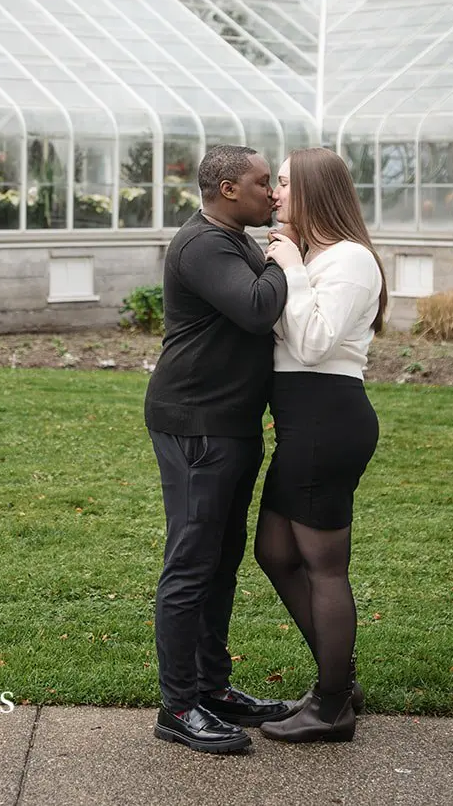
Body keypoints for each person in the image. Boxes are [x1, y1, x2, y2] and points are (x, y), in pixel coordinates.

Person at [144, 144, 295, 754]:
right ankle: (178, 706)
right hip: (195, 423)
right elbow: (258, 309)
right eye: (264, 183)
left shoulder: (231, 240)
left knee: (220, 560)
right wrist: (286, 256)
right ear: (229, 189)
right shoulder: (204, 243)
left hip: (228, 423)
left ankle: (212, 687)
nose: (274, 194)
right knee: (191, 564)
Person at [254, 147, 388, 743]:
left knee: (324, 567)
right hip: (303, 422)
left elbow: (311, 343)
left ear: (311, 190)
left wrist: (289, 265)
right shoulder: (314, 257)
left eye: (283, 184)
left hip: (327, 422)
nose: (274, 194)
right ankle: (340, 679)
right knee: (274, 551)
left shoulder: (351, 260)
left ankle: (334, 703)